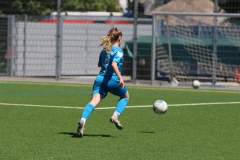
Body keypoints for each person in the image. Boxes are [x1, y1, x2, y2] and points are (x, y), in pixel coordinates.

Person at [77, 27, 130, 138]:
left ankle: (82, 120)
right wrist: (120, 78)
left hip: (100, 79)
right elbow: (113, 65)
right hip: (112, 79)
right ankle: (115, 115)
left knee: (93, 101)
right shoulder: (119, 51)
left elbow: (99, 64)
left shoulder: (105, 50)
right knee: (125, 97)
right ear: (120, 38)